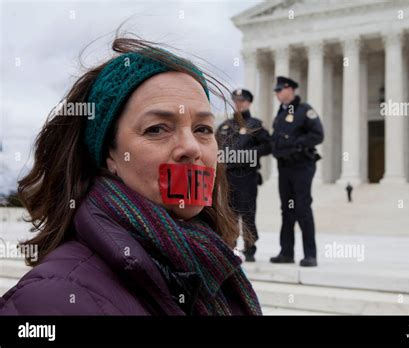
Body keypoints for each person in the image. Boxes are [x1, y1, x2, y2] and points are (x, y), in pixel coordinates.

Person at [0, 37, 262, 315]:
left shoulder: (215, 265)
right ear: (109, 155)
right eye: (156, 129)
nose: (191, 148)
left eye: (203, 129)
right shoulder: (50, 300)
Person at [269, 76, 324, 267]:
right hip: (284, 167)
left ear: (291, 90)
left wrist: (297, 145)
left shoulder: (304, 110)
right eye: (276, 91)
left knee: (302, 207)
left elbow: (318, 134)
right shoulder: (280, 115)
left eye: (280, 90)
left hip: (301, 166)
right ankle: (286, 252)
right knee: (287, 210)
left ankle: (310, 254)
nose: (277, 94)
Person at [217, 89, 271, 262]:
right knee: (228, 213)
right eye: (236, 100)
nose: (238, 103)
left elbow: (268, 146)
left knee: (247, 213)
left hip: (246, 176)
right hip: (227, 177)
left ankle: (250, 247)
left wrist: (250, 154)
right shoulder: (226, 125)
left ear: (249, 103)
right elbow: (215, 146)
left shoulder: (255, 125)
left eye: (242, 100)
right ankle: (229, 246)